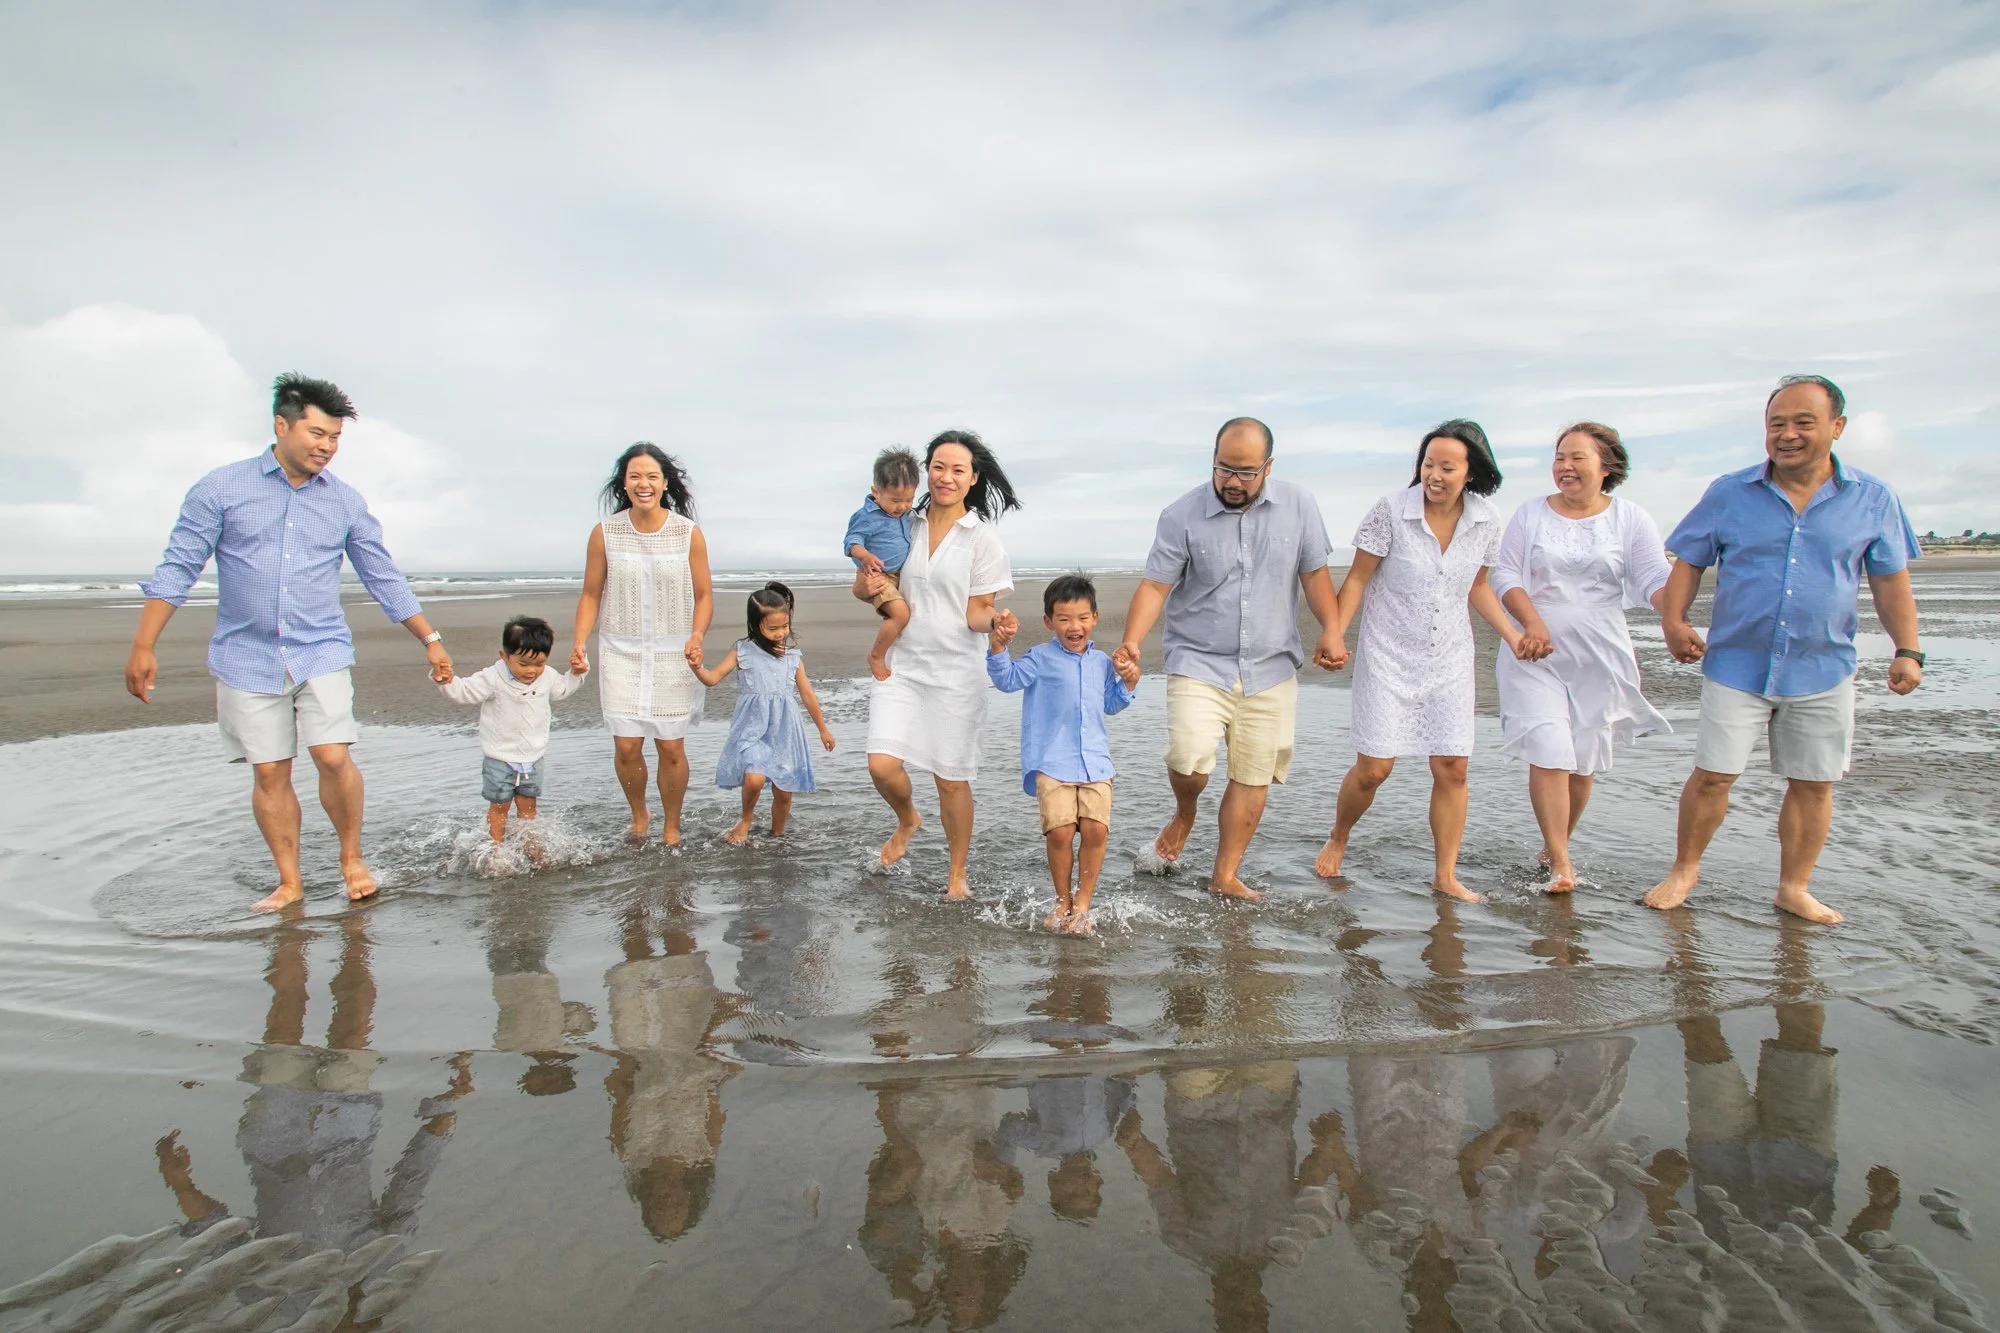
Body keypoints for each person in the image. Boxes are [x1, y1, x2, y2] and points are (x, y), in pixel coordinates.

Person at [125, 373, 453, 912]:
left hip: (320, 648)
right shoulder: (220, 489)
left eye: (335, 438)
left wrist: (430, 639)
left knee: (332, 755)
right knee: (270, 769)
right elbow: (179, 566)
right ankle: (290, 881)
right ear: (282, 425)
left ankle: (351, 859)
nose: (327, 447)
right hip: (245, 654)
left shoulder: (345, 502)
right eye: (317, 434)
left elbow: (382, 574)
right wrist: (144, 644)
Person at [1644, 374, 1924, 924]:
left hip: (1824, 666)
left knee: (1814, 783)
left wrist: (1907, 650)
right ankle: (1684, 872)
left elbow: (1891, 581)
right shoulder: (1729, 492)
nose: (1787, 434)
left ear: (1837, 427)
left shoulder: (1873, 499)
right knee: (1713, 775)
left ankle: (1794, 888)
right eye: (1777, 424)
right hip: (1736, 663)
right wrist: (1674, 622)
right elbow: (1690, 561)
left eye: (1803, 423)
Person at [1314, 420, 1548, 903]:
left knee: (1452, 767)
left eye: (1447, 467)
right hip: (1387, 654)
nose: (1434, 475)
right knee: (1374, 769)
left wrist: (1513, 635)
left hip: (1449, 658)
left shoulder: (1485, 519)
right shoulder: (1391, 511)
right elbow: (1356, 579)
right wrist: (1334, 633)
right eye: (1428, 464)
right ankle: (1339, 835)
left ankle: (1445, 874)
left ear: (1470, 472)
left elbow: (1477, 587)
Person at [1114, 417, 1344, 903]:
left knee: (1253, 773)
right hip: (1198, 658)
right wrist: (1132, 640)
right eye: (1223, 469)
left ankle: (1225, 874)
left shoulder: (1300, 506)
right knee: (1189, 757)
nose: (1232, 481)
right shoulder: (1181, 514)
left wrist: (1332, 628)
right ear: (1213, 460)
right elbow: (1155, 585)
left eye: (1245, 472)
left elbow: (1315, 574)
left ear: (1268, 467)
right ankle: (1185, 812)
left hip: (1271, 664)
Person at [1490, 422, 1674, 893]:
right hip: (1535, 651)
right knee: (1548, 748)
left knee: (1581, 761)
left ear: (1606, 466)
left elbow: (1654, 576)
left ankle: (1554, 845)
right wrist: (1530, 622)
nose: (1565, 467)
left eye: (1577, 458)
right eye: (1559, 458)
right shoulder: (1530, 513)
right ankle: (1562, 863)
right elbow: (1505, 574)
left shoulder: (1630, 518)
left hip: (1599, 654)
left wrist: (1674, 616)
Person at [862, 430, 1019, 900]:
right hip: (902, 666)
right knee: (881, 765)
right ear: (925, 471)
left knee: (951, 780)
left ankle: (957, 875)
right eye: (938, 467)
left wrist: (996, 622)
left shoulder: (982, 539)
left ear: (973, 478)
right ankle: (908, 818)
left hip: (956, 673)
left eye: (957, 470)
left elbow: (976, 613)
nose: (946, 477)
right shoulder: (900, 523)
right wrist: (866, 585)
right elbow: (868, 586)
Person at [570, 443, 713, 848]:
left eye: (651, 476)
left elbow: (704, 595)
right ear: (624, 483)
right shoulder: (604, 533)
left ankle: (671, 825)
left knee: (671, 746)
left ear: (665, 483)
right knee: (627, 745)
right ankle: (639, 815)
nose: (643, 484)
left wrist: (697, 635)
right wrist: (579, 640)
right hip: (621, 651)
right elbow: (591, 594)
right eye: (635, 476)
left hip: (674, 652)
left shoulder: (687, 533)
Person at [985, 573, 1140, 933]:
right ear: (1048, 621)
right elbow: (1007, 680)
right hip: (1052, 761)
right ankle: (1062, 902)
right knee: (1060, 832)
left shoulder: (1102, 662)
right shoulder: (1040, 657)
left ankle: (1082, 903)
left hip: (1096, 762)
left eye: (1083, 617)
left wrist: (1129, 681)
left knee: (1096, 830)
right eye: (1064, 618)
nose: (1075, 626)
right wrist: (997, 647)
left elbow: (1111, 704)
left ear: (1095, 618)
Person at [692, 582, 837, 845]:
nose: (781, 633)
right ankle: (746, 819)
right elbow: (712, 679)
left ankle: (777, 836)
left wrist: (823, 729)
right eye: (773, 628)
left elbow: (808, 695)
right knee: (754, 778)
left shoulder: (793, 658)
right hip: (752, 729)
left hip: (785, 732)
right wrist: (697, 667)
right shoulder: (742, 651)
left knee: (784, 791)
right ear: (754, 624)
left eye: (785, 626)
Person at [436, 615, 585, 844]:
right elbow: (464, 692)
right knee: (499, 806)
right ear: (504, 656)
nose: (531, 671)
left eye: (539, 664)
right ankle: (496, 849)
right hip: (499, 757)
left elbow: (563, 689)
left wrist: (577, 672)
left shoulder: (548, 677)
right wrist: (446, 680)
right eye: (523, 664)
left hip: (533, 757)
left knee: (528, 805)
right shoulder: (492, 677)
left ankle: (530, 844)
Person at [845, 447, 923, 681]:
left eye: (909, 500)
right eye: (895, 500)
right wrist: (865, 556)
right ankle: (877, 655)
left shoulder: (907, 514)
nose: (903, 506)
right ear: (876, 492)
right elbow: (851, 542)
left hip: (899, 575)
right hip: (878, 575)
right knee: (900, 614)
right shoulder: (867, 516)